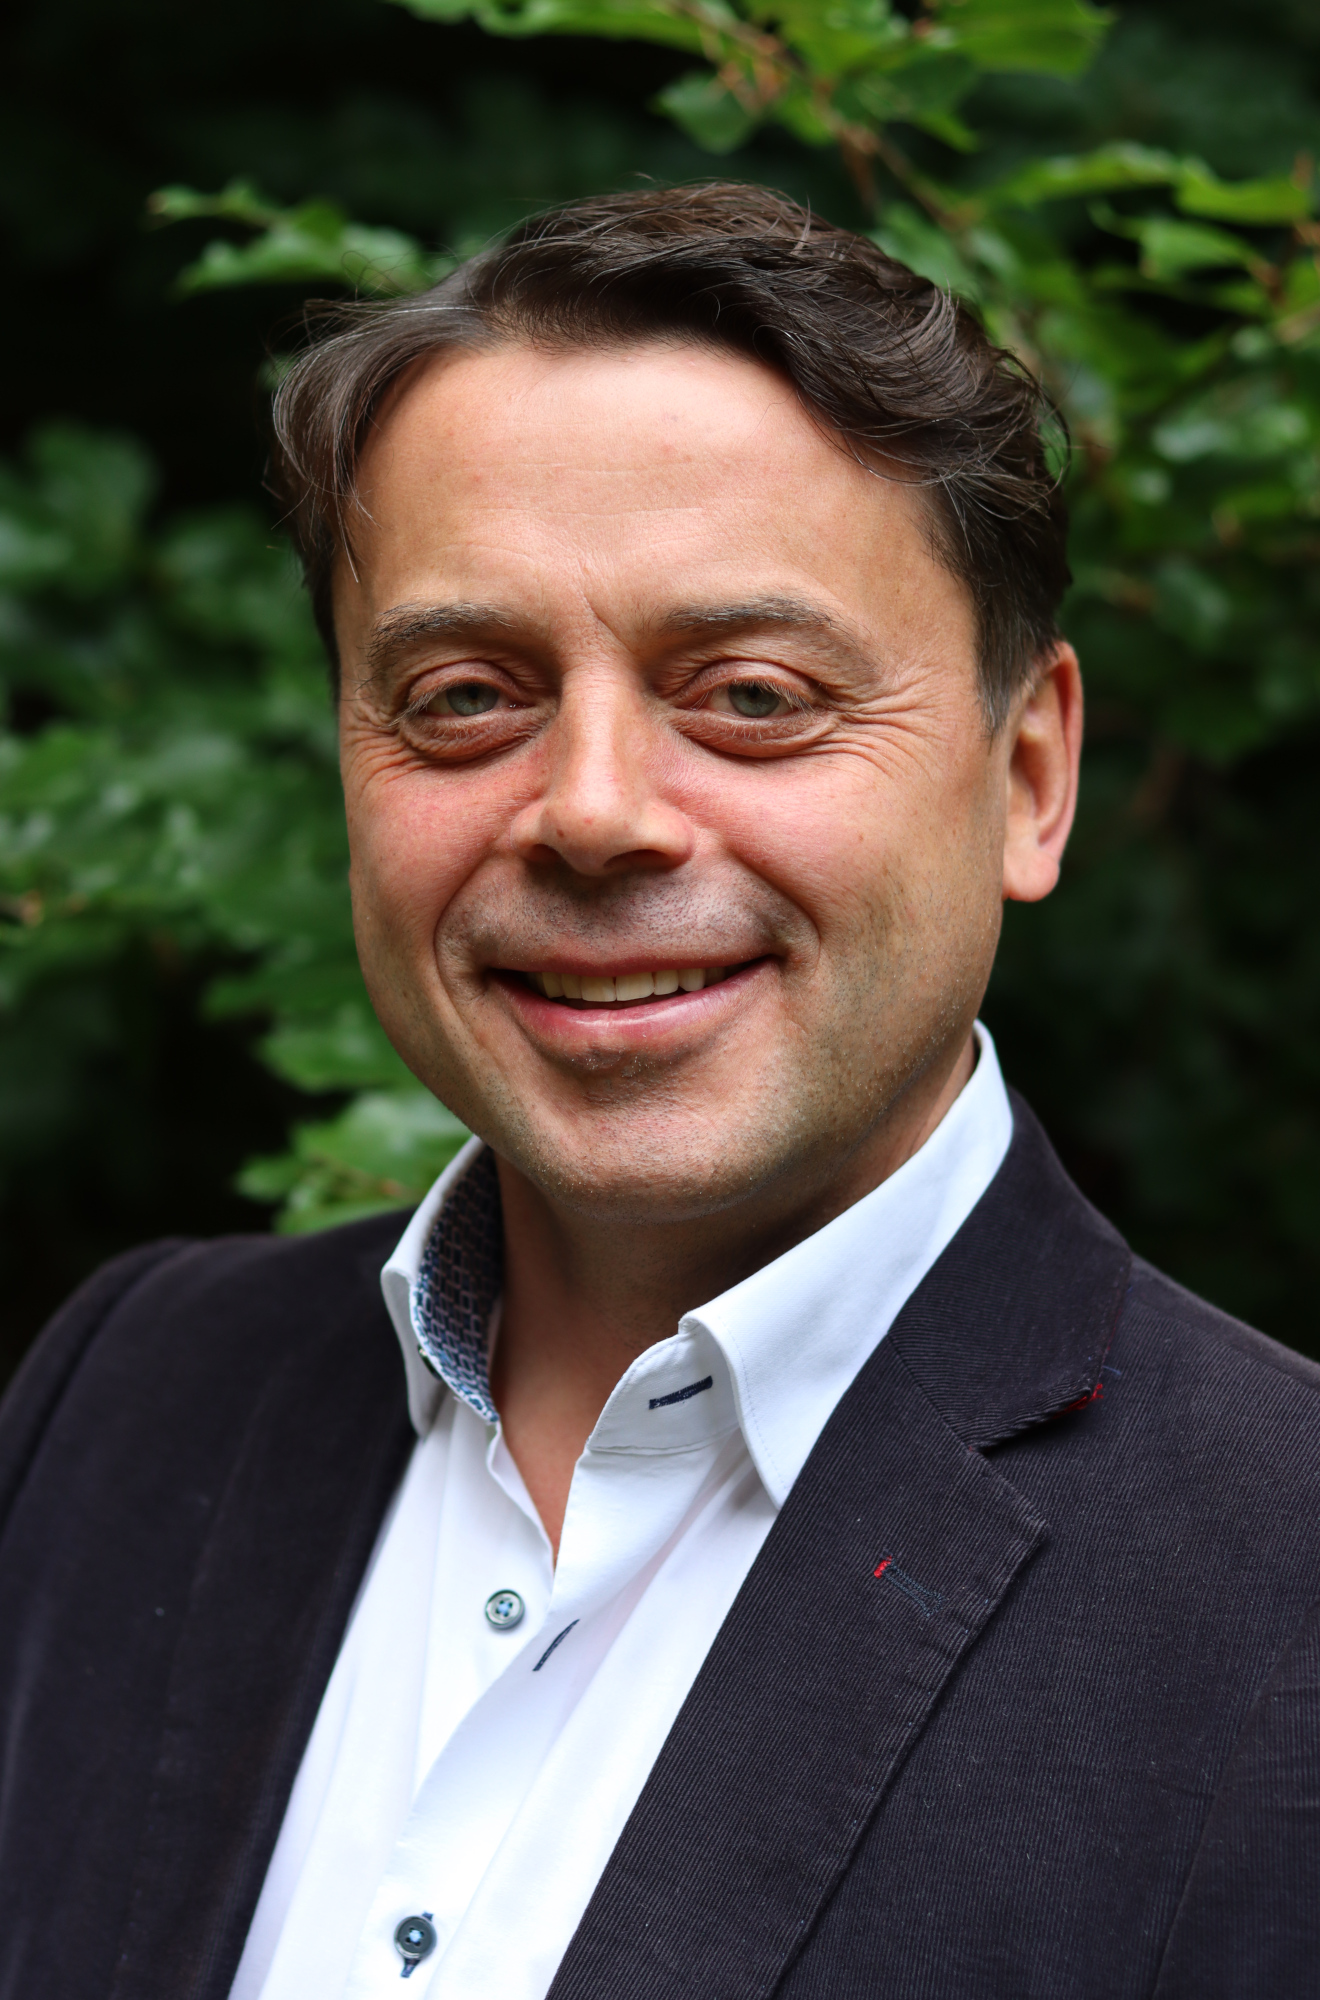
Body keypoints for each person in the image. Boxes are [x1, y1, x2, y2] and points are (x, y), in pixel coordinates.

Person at [1, 184, 1316, 2000]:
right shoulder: (127, 1395)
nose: (596, 811)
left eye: (753, 695)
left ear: (1028, 777)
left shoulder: (1284, 1589)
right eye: (466, 696)